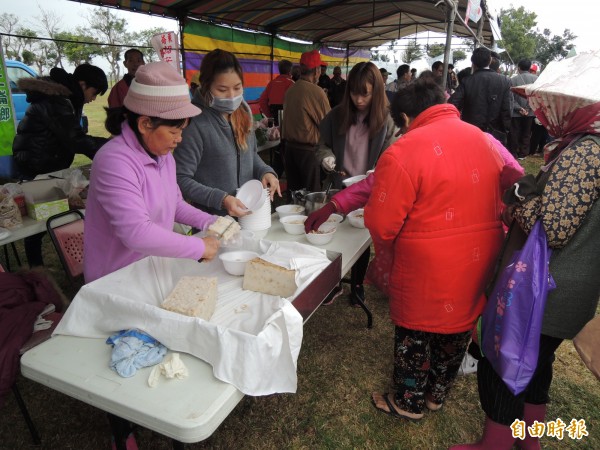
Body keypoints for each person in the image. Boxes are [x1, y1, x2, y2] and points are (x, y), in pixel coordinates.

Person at [450, 54, 600, 450]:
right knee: (537, 363)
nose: (546, 112)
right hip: (570, 287)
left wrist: (519, 203)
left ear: (577, 106)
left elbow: (554, 226)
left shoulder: (587, 151)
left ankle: (495, 445)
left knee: (503, 362)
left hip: (549, 286)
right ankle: (528, 440)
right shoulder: (584, 146)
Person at [366, 78, 505, 420]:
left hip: (427, 262)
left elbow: (382, 224)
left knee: (416, 331)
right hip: (480, 254)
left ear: (406, 117)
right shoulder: (484, 139)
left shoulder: (403, 150)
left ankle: (408, 402)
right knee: (457, 326)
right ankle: (435, 396)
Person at [84, 61, 220, 284]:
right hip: (116, 279)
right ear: (145, 123)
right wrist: (199, 246)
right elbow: (136, 232)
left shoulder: (162, 154)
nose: (179, 139)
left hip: (152, 267)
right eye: (174, 131)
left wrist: (210, 222)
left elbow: (174, 204)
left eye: (182, 131)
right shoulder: (114, 161)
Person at [310, 61, 398, 306]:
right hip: (340, 186)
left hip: (370, 191)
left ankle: (357, 285)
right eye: (354, 93)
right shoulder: (337, 115)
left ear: (376, 93)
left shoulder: (387, 121)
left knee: (361, 239)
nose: (359, 100)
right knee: (335, 235)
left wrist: (379, 169)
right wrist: (326, 158)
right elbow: (322, 145)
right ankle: (333, 281)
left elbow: (393, 153)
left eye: (365, 94)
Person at [12, 63, 108, 267]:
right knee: (37, 222)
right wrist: (112, 149)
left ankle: (72, 261)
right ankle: (37, 269)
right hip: (36, 166)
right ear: (82, 84)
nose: (93, 98)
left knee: (58, 214)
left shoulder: (65, 99)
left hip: (45, 164)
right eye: (94, 92)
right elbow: (76, 140)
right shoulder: (56, 101)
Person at [174, 49, 280, 217]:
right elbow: (180, 179)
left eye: (237, 88)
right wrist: (221, 199)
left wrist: (265, 171)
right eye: (222, 90)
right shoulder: (194, 124)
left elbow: (251, 156)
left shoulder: (243, 116)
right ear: (206, 86)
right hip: (213, 223)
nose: (231, 96)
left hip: (249, 218)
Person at [281, 49, 331, 192]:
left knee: (294, 193)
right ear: (316, 70)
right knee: (311, 195)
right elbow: (327, 125)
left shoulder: (291, 89)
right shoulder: (317, 92)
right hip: (307, 152)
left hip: (290, 149)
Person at [449, 47, 511, 146]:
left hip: (471, 130)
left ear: (472, 62)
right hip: (495, 131)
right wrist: (506, 130)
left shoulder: (467, 81)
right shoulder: (505, 81)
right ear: (490, 60)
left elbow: (453, 104)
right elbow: (506, 109)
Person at [508, 59, 538, 159]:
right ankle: (523, 153)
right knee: (527, 133)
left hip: (516, 112)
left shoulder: (512, 80)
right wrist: (528, 108)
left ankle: (513, 152)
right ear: (529, 67)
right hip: (530, 112)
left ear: (519, 67)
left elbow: (510, 98)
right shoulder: (536, 79)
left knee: (515, 132)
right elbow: (537, 96)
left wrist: (519, 108)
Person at [258, 59, 294, 126]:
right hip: (287, 118)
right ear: (290, 72)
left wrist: (269, 116)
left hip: (273, 114)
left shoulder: (271, 83)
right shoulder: (292, 83)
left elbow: (262, 101)